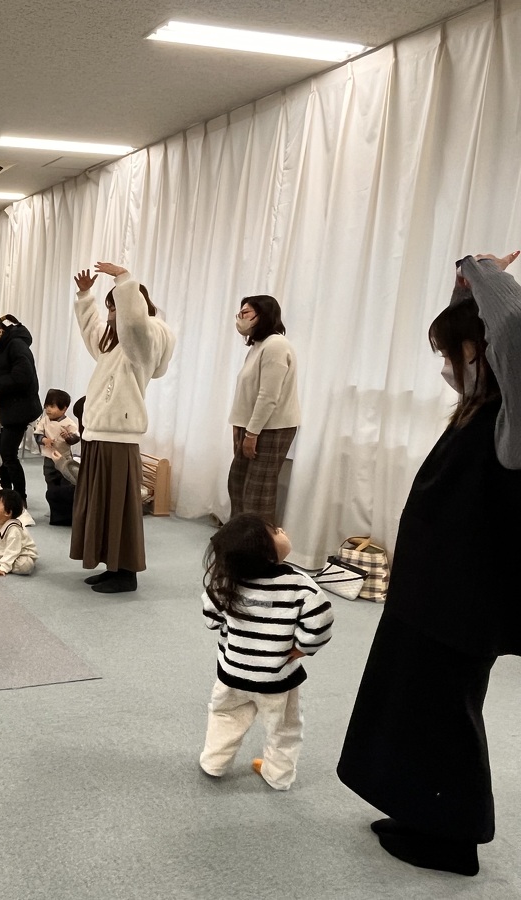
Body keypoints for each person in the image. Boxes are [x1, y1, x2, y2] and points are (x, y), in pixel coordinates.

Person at [337, 251, 521, 877]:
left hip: (463, 602)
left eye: (451, 353)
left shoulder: (514, 421)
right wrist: (464, 293)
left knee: (444, 712)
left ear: (480, 352)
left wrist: (482, 271)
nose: (445, 366)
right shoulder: (480, 403)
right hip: (430, 595)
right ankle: (420, 813)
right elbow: (489, 335)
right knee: (408, 703)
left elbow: (512, 329)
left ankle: (453, 839)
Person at [198, 514, 333, 791]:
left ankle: (214, 762)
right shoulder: (301, 585)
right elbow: (320, 625)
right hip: (277, 678)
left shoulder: (225, 581)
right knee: (284, 729)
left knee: (225, 716)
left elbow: (211, 619)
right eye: (275, 531)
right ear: (265, 550)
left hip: (233, 673)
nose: (282, 530)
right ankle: (278, 776)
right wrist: (302, 648)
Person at [70, 263, 176, 593]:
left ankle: (126, 572)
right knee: (101, 505)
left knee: (119, 507)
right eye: (110, 308)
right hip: (99, 432)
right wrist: (85, 296)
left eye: (115, 308)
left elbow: (136, 326)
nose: (111, 315)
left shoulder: (145, 342)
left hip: (118, 435)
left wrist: (124, 280)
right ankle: (110, 565)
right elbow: (92, 331)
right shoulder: (114, 345)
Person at [227, 295, 301, 524]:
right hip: (253, 426)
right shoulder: (258, 347)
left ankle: (257, 541)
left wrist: (251, 434)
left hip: (271, 428)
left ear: (263, 315)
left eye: (245, 313)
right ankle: (237, 537)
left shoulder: (276, 346)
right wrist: (239, 426)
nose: (240, 318)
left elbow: (268, 396)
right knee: (238, 483)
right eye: (239, 313)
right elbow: (247, 393)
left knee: (257, 492)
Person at [0, 313, 41, 502]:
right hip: (10, 407)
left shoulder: (16, 346)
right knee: (4, 452)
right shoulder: (4, 346)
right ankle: (7, 495)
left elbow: (22, 377)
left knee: (7, 453)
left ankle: (19, 498)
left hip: (20, 408)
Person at [32, 388, 79, 491]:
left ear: (64, 409)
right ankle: (52, 493)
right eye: (47, 406)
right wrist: (44, 440)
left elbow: (76, 438)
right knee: (49, 477)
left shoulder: (68, 423)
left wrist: (68, 437)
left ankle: (62, 495)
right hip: (49, 457)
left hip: (64, 457)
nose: (48, 409)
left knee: (65, 479)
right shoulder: (44, 421)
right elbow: (37, 434)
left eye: (52, 406)